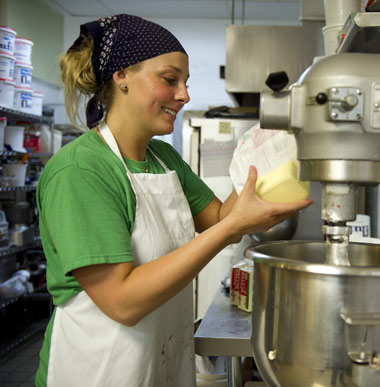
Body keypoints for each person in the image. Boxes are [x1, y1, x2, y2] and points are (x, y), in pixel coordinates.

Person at [34, 14, 312, 387]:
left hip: (159, 365)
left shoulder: (165, 159)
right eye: (169, 80)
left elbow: (219, 219)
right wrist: (233, 226)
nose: (184, 95)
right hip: (97, 370)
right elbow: (122, 301)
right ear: (122, 77)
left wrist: (268, 159)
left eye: (185, 82)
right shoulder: (81, 171)